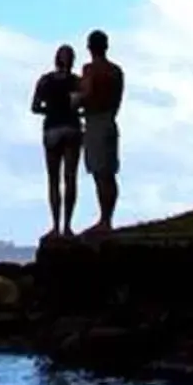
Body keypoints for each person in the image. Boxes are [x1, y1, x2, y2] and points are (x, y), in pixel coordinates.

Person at [30, 44, 84, 239]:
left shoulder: (45, 81)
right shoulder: (77, 82)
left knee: (53, 180)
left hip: (52, 128)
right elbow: (81, 105)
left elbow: (35, 107)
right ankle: (68, 227)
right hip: (71, 128)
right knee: (70, 178)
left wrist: (51, 110)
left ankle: (55, 226)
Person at [78, 29, 124, 236]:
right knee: (109, 173)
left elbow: (86, 94)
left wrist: (74, 103)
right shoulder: (116, 71)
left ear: (89, 47)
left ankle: (104, 220)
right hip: (110, 120)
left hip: (95, 121)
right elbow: (117, 100)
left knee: (99, 173)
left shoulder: (90, 69)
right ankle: (107, 218)